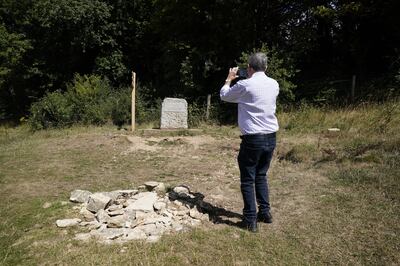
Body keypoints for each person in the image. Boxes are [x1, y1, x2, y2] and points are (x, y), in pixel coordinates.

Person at [220, 52, 279, 232]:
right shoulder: (274, 84)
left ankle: (250, 219)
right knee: (261, 175)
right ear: (266, 67)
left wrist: (229, 79)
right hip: (271, 137)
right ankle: (265, 213)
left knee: (247, 179)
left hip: (253, 138)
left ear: (250, 68)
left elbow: (225, 95)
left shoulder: (245, 85)